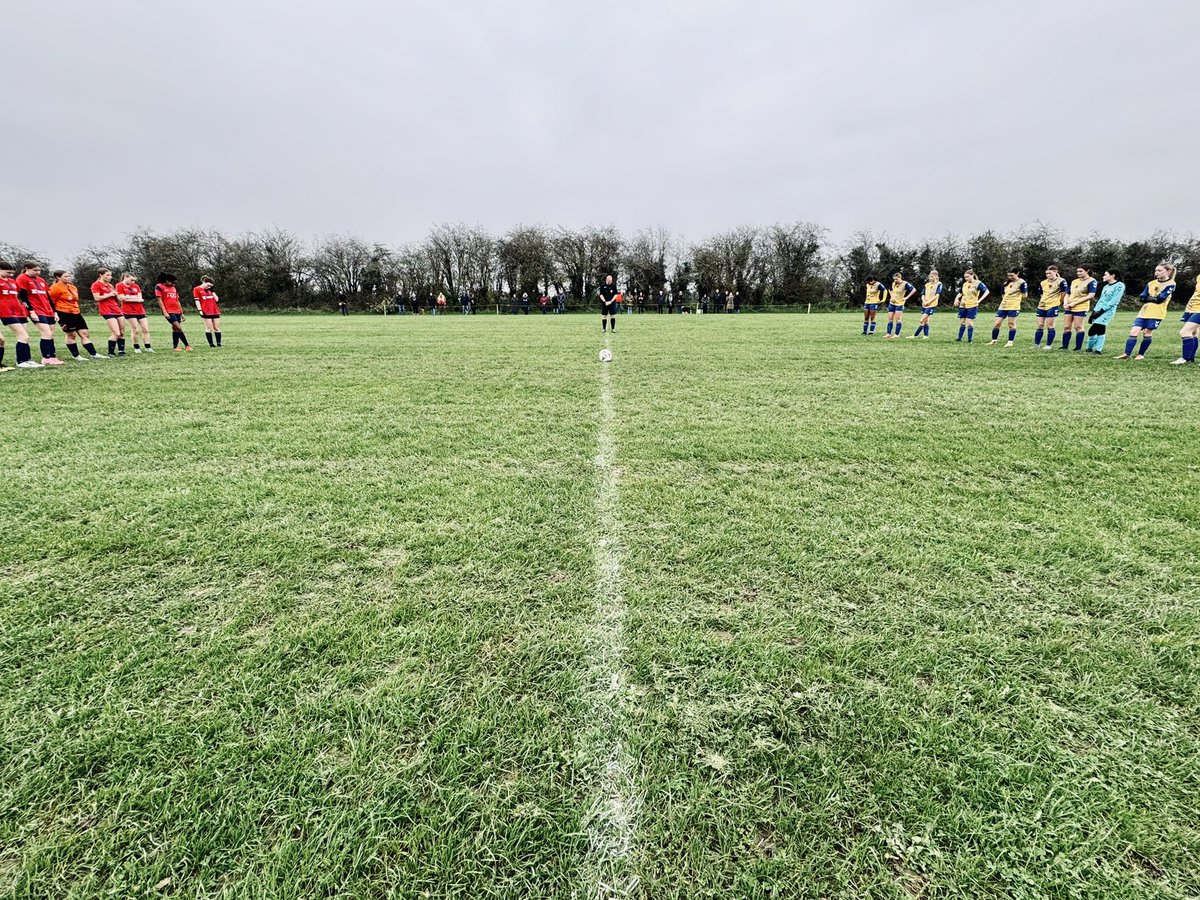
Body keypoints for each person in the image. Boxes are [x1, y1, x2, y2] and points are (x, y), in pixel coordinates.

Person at [1119, 262, 1176, 360]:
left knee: (1147, 332)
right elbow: (1142, 297)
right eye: (1155, 270)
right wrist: (1152, 298)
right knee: (1133, 331)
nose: (1156, 272)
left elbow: (1160, 299)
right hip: (1144, 311)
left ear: (1168, 271)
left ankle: (1141, 354)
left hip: (1157, 313)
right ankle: (1126, 354)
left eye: (1159, 270)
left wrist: (1149, 298)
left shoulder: (1171, 284)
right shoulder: (1151, 283)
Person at [48, 270, 104, 359]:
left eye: (69, 276)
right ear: (58, 278)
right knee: (71, 335)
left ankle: (94, 354)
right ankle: (76, 355)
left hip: (76, 312)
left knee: (84, 333)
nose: (68, 278)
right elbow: (50, 301)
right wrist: (54, 313)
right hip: (63, 313)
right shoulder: (55, 288)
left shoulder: (72, 287)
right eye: (65, 276)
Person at [15, 262, 64, 365]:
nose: (38, 272)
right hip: (36, 310)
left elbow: (48, 297)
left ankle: (52, 356)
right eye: (35, 270)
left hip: (48, 310)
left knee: (51, 334)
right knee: (46, 333)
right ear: (27, 268)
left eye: (39, 270)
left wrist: (54, 311)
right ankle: (46, 358)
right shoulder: (22, 278)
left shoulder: (41, 280)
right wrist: (31, 311)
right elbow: (23, 297)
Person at [0, 261, 42, 368]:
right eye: (8, 272)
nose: (11, 275)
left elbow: (22, 296)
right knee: (23, 336)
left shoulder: (13, 282)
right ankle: (21, 361)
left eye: (12, 273)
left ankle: (27, 359)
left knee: (24, 336)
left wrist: (26, 309)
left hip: (18, 311)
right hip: (5, 312)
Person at [1086, 269, 1125, 354]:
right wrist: (1094, 312)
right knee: (1098, 330)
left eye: (1105, 274)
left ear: (1112, 275)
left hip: (1107, 311)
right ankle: (1094, 349)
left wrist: (1101, 311)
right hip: (1099, 310)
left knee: (1095, 329)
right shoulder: (1106, 286)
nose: (1103, 276)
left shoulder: (1119, 285)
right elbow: (1101, 300)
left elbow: (1114, 301)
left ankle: (1094, 348)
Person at [1059, 265, 1097, 350]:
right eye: (1077, 271)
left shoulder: (1092, 281)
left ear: (1087, 271)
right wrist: (1065, 303)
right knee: (1066, 327)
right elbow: (1068, 293)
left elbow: (1091, 295)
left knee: (1078, 327)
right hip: (1069, 306)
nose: (1078, 273)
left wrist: (1075, 303)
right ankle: (1064, 346)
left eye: (1080, 271)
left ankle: (1078, 347)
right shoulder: (1074, 281)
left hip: (1081, 307)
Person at [91, 268, 127, 356]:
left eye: (110, 275)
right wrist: (109, 294)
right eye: (107, 275)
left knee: (122, 332)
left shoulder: (110, 285)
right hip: (106, 310)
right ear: (101, 275)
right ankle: (111, 352)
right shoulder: (96, 285)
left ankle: (121, 351)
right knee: (116, 333)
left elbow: (116, 297)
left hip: (116, 309)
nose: (110, 277)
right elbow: (97, 298)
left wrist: (120, 297)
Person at [155, 273, 192, 351]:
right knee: (178, 327)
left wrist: (181, 313)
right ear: (167, 281)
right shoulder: (159, 286)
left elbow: (177, 300)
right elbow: (159, 300)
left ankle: (175, 347)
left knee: (175, 329)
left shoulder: (173, 288)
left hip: (177, 311)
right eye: (172, 282)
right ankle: (187, 345)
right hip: (169, 311)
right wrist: (164, 312)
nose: (173, 284)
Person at [1035, 265, 1069, 349]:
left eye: (1050, 273)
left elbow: (1064, 293)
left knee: (1050, 325)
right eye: (1046, 273)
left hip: (1053, 305)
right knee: (1040, 325)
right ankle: (1036, 345)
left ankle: (1048, 345)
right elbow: (1041, 293)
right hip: (1042, 305)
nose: (1048, 275)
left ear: (1056, 272)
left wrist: (1059, 302)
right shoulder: (1043, 282)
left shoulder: (1061, 281)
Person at [116, 272, 152, 352]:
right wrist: (134, 298)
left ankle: (148, 346)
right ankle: (136, 347)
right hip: (129, 311)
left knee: (145, 329)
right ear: (125, 277)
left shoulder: (136, 286)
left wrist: (129, 297)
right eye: (131, 280)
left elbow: (140, 298)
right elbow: (122, 298)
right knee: (135, 330)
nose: (133, 282)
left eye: (134, 280)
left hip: (140, 310)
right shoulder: (119, 285)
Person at [990, 269, 1026, 346]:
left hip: (1014, 306)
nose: (1010, 277)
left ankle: (1010, 342)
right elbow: (1003, 294)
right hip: (1003, 306)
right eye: (1009, 275)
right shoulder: (1006, 283)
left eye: (1012, 275)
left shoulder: (1022, 283)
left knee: (1011, 324)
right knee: (997, 323)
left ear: (1017, 274)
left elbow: (1025, 296)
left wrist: (1015, 297)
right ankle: (994, 340)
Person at [1172, 272, 1200, 365]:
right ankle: (1190, 358)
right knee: (1193, 333)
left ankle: (1185, 358)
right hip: (1192, 307)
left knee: (1185, 332)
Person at [954, 269, 988, 342]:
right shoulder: (965, 284)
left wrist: (979, 300)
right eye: (965, 277)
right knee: (962, 322)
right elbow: (961, 293)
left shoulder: (978, 283)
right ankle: (959, 338)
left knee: (969, 323)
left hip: (972, 305)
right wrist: (956, 299)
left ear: (972, 275)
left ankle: (970, 340)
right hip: (963, 305)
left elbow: (987, 291)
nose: (966, 278)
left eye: (967, 277)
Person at [908, 270, 941, 339]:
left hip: (931, 305)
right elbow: (923, 294)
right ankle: (926, 336)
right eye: (929, 276)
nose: (930, 278)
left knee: (921, 320)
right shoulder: (927, 284)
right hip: (925, 304)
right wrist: (924, 301)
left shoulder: (939, 284)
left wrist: (929, 302)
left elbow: (937, 295)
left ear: (936, 276)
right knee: (926, 321)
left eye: (932, 276)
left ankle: (915, 335)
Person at [193, 276, 222, 346]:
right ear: (204, 282)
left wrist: (212, 291)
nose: (208, 287)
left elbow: (217, 299)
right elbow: (197, 301)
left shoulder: (210, 290)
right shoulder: (197, 289)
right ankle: (211, 344)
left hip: (214, 310)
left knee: (217, 328)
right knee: (209, 328)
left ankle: (219, 343)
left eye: (210, 286)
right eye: (208, 285)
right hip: (206, 311)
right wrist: (200, 310)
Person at [886, 273, 915, 339]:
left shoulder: (905, 284)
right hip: (892, 303)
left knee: (898, 319)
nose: (895, 280)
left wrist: (906, 297)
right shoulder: (893, 283)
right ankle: (888, 334)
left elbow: (914, 290)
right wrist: (891, 296)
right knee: (890, 319)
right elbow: (889, 289)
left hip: (899, 303)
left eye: (896, 279)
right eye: (894, 279)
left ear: (900, 277)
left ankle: (896, 334)